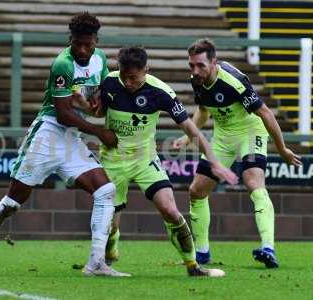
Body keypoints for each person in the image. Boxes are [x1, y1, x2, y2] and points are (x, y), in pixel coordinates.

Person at [0, 12, 130, 277]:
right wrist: (99, 132)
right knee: (13, 202)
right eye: (77, 43)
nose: (82, 49)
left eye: (87, 44)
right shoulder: (62, 64)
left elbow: (94, 96)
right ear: (70, 39)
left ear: (95, 41)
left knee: (105, 191)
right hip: (47, 134)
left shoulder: (100, 59)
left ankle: (96, 263)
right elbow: (64, 112)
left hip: (70, 138)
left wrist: (100, 102)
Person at [86, 46, 238, 277]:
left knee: (170, 210)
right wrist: (88, 105)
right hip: (112, 161)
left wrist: (215, 161)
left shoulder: (161, 92)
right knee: (110, 225)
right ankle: (110, 249)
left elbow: (190, 128)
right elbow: (98, 112)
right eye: (124, 76)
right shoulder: (109, 82)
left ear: (147, 69)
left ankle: (193, 266)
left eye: (134, 78)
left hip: (145, 160)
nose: (128, 82)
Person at [173, 38, 302, 268]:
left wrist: (281, 148)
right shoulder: (197, 80)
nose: (195, 70)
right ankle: (202, 253)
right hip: (223, 136)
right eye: (191, 65)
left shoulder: (234, 81)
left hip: (250, 131)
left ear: (214, 62)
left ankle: (268, 248)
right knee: (196, 190)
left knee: (253, 181)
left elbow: (265, 113)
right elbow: (203, 111)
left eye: (201, 65)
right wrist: (187, 136)